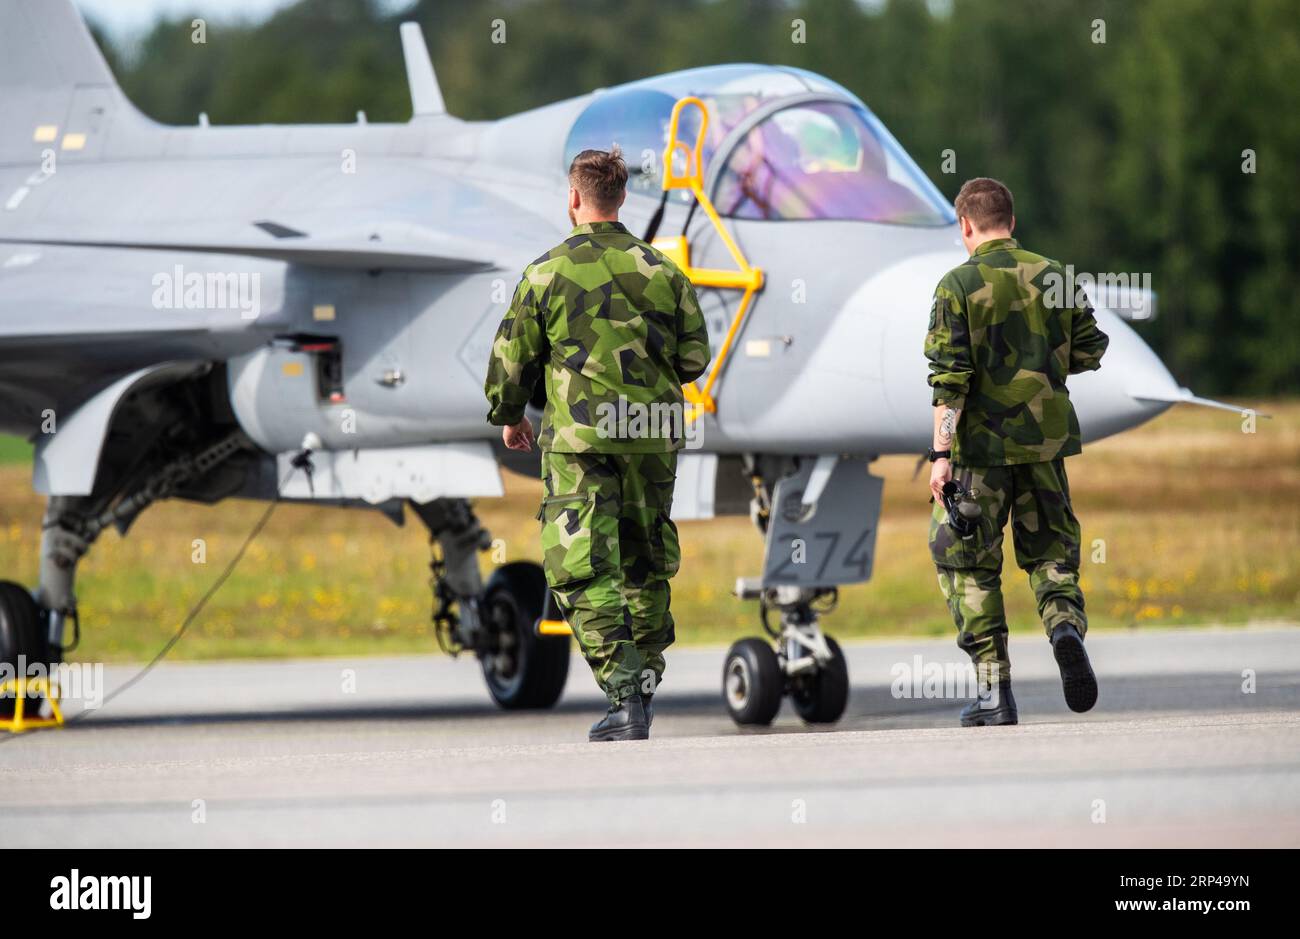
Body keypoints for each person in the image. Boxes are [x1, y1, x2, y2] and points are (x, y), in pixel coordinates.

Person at [483, 146, 711, 741]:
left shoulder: (546, 272)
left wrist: (511, 415)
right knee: (645, 560)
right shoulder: (664, 271)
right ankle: (643, 687)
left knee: (580, 567)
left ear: (574, 198)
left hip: (582, 438)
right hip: (652, 435)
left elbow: (512, 359)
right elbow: (694, 358)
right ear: (622, 198)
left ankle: (624, 695)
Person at [924, 177, 1109, 727]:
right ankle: (1063, 628)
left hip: (980, 455)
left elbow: (949, 379)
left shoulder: (955, 286)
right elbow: (1092, 349)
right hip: (1045, 447)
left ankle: (993, 693)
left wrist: (940, 452)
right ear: (1012, 219)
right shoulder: (1056, 276)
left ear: (965, 224)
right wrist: (1042, 366)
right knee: (1051, 553)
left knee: (965, 563)